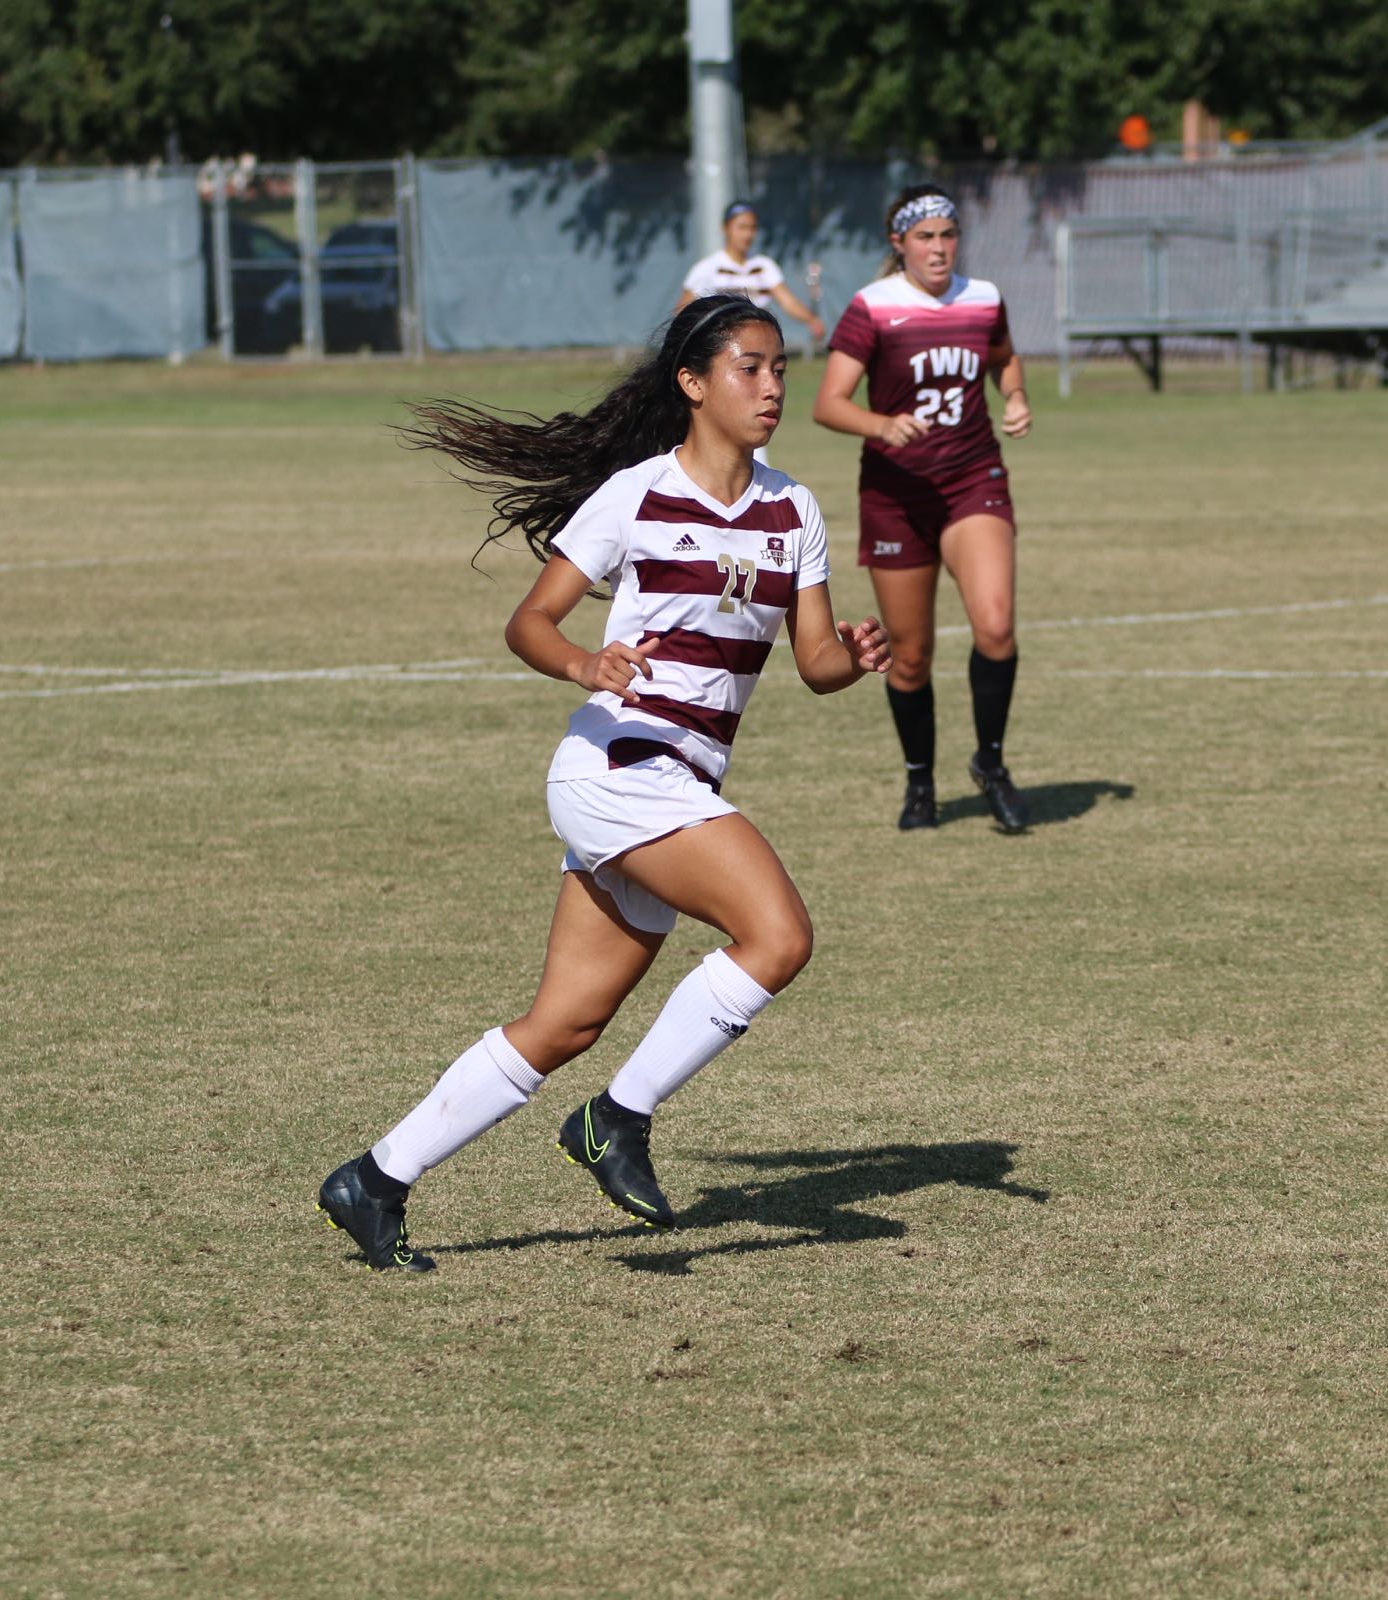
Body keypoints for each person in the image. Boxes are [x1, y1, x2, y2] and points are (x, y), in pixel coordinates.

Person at [317, 294, 890, 1271]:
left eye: (779, 369)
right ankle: (617, 1121)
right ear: (693, 383)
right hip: (621, 769)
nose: (770, 387)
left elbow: (816, 661)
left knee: (566, 1022)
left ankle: (374, 1179)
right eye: (747, 368)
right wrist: (587, 664)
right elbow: (529, 623)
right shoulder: (635, 493)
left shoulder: (792, 509)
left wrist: (855, 652)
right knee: (779, 934)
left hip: (670, 784)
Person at [813, 183, 1034, 833]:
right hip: (896, 496)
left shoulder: (984, 298)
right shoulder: (873, 307)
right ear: (899, 244)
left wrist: (1014, 395)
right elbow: (829, 403)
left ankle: (990, 765)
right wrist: (880, 426)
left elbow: (1005, 360)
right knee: (908, 657)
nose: (938, 248)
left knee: (995, 627)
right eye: (925, 237)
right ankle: (920, 784)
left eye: (947, 235)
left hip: (972, 481)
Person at [678, 201, 826, 349]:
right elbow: (682, 311)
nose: (747, 234)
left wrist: (811, 320)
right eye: (741, 227)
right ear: (725, 228)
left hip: (757, 342)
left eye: (752, 228)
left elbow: (788, 302)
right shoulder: (706, 268)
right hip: (721, 345)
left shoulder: (764, 266)